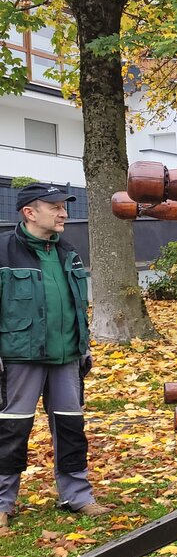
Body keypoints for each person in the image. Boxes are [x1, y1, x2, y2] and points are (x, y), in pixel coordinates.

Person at [0, 183, 109, 531]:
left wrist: (84, 347)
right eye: (55, 207)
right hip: (18, 358)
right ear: (29, 212)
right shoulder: (3, 250)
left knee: (71, 427)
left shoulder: (67, 250)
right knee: (11, 429)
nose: (64, 213)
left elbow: (77, 303)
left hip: (66, 358)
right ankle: (3, 503)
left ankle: (77, 495)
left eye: (64, 206)